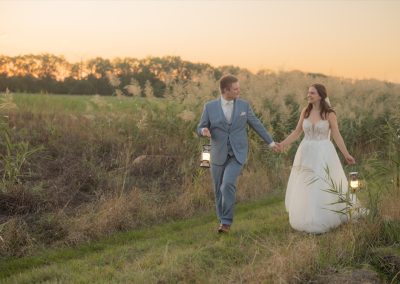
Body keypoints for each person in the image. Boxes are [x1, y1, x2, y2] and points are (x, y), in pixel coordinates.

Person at [197, 74, 279, 233]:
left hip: (238, 153)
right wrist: (203, 130)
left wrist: (271, 143)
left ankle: (226, 222)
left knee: (227, 184)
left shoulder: (244, 105)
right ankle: (222, 221)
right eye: (235, 89)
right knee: (218, 189)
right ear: (225, 90)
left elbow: (257, 124)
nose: (239, 91)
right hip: (217, 153)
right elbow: (200, 127)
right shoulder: (209, 107)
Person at [278, 83, 356, 234]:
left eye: (312, 93)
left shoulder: (329, 114)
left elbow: (336, 135)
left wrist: (346, 154)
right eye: (308, 92)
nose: (308, 95)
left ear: (320, 95)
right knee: (305, 182)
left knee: (321, 182)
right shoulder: (305, 112)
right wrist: (282, 144)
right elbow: (296, 132)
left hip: (323, 152)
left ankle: (322, 217)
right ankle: (305, 216)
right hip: (306, 152)